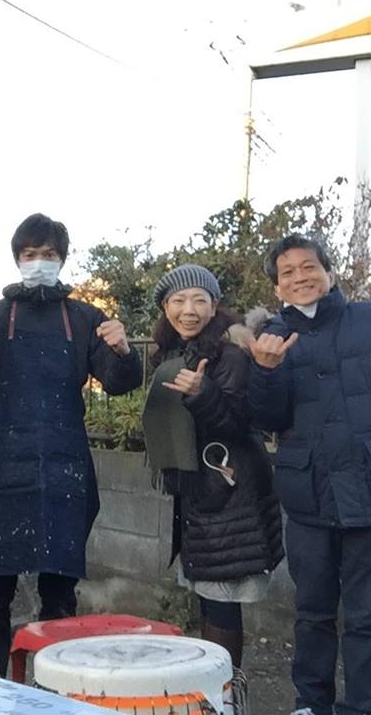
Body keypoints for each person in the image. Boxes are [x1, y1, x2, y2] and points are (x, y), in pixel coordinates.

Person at [247, 235, 371, 715]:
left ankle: (361, 706)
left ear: (330, 273)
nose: (299, 277)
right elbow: (268, 418)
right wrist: (266, 371)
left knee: (368, 616)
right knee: (311, 613)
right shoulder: (271, 336)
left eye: (308, 267)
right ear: (277, 287)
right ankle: (311, 703)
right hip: (308, 493)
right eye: (287, 272)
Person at [0, 213, 143, 676]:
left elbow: (120, 383)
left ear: (62, 260)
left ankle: (51, 685)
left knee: (59, 596)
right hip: (1, 466)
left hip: (65, 466)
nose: (38, 262)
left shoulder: (85, 318)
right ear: (16, 259)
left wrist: (124, 349)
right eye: (29, 255)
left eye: (48, 255)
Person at [141, 263, 284, 669]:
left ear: (215, 305)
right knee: (210, 598)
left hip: (229, 492)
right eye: (179, 300)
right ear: (165, 307)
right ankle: (217, 692)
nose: (189, 309)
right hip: (201, 494)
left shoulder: (231, 352)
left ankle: (224, 696)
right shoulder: (171, 352)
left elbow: (242, 423)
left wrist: (202, 392)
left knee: (222, 603)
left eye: (199, 300)